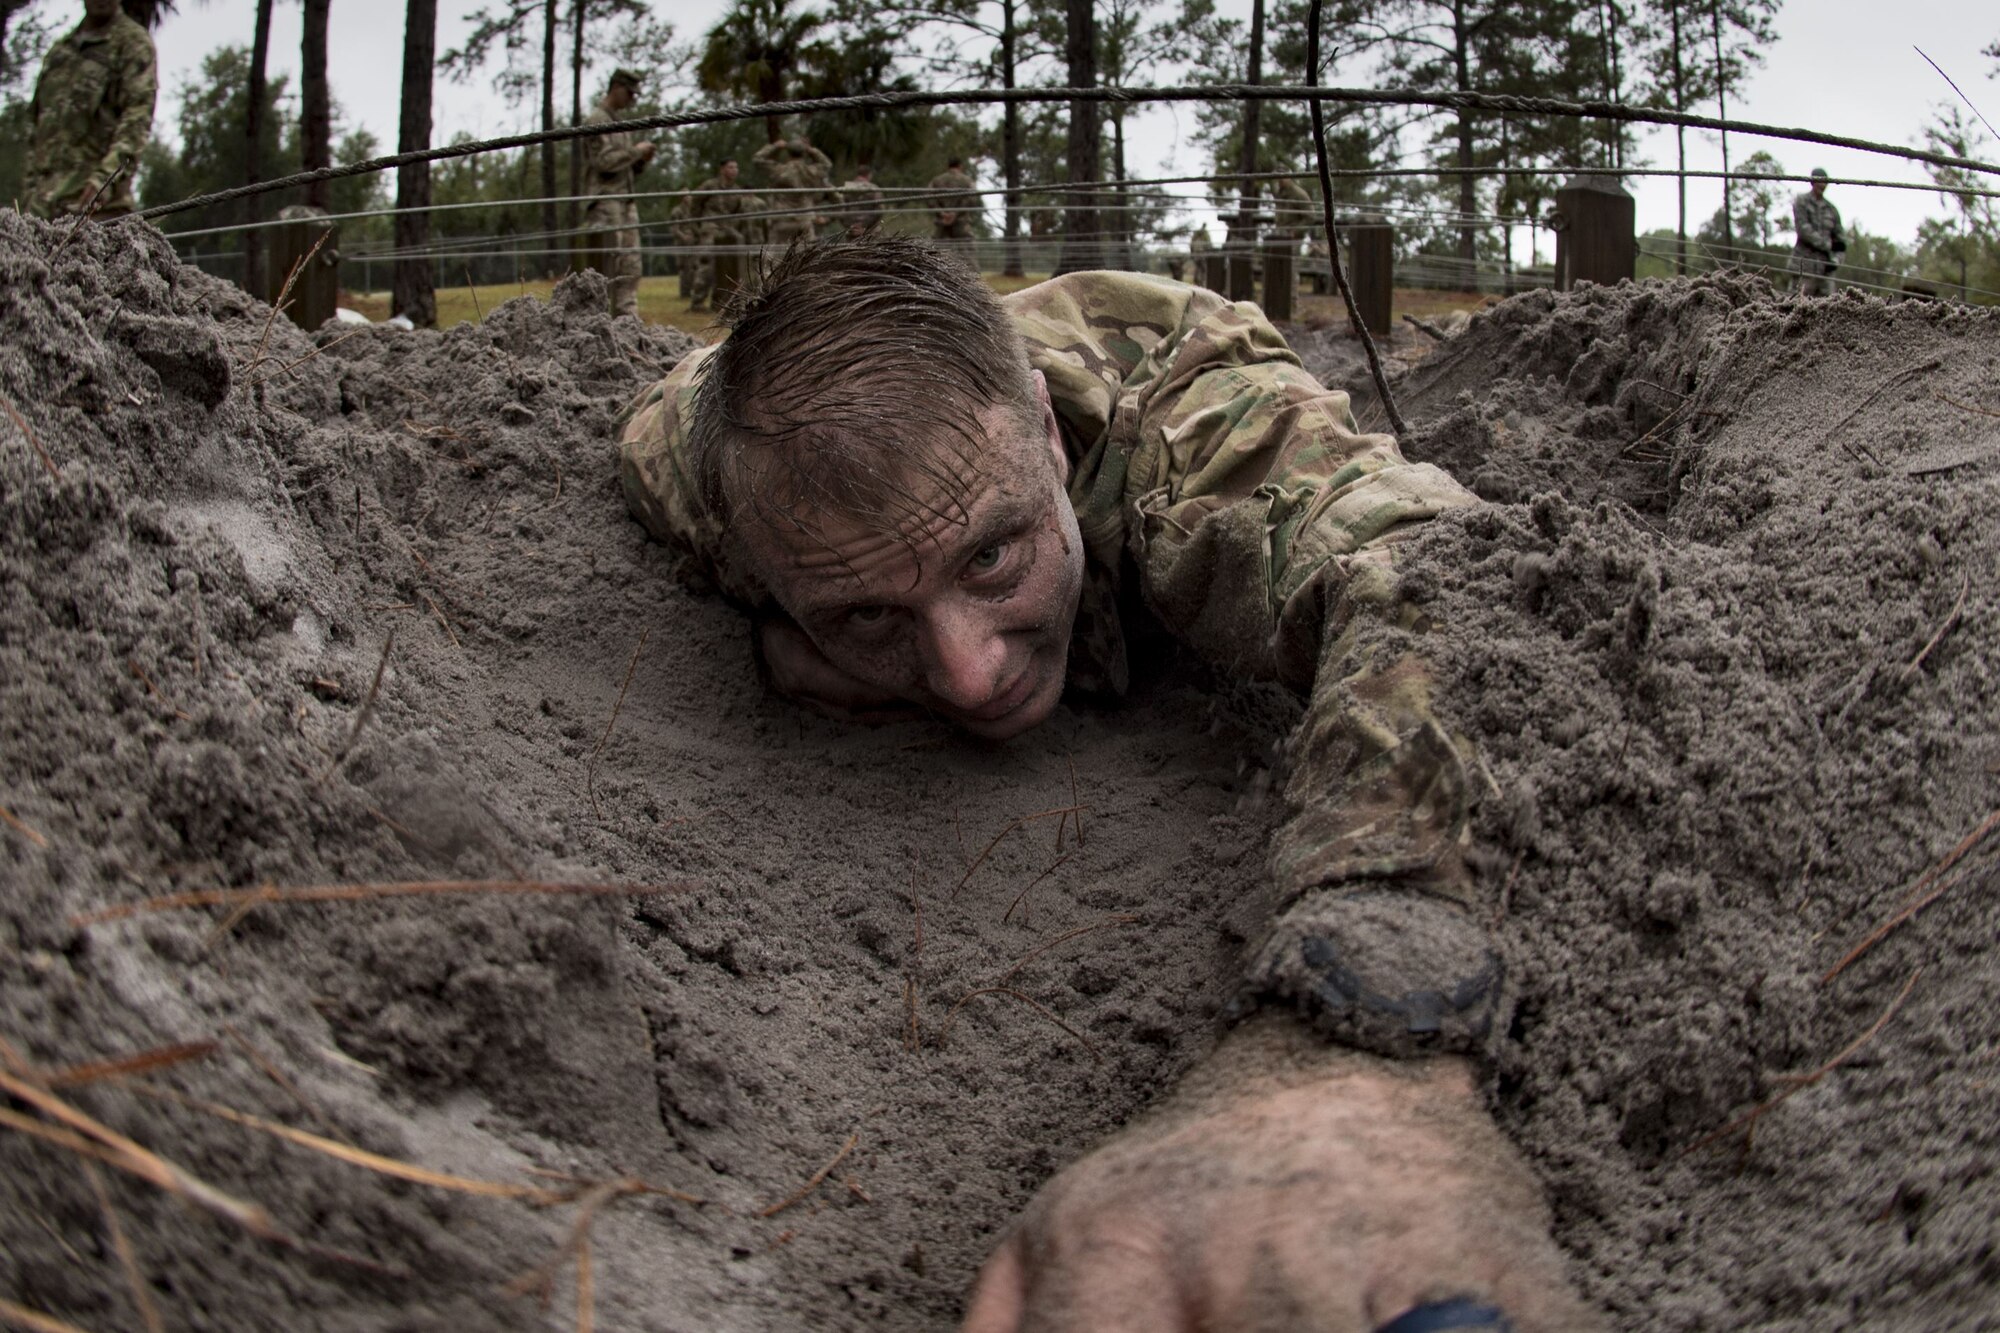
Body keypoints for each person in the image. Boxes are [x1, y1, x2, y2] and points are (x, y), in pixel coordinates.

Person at [618, 237, 1598, 1332]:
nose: (968, 673)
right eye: (865, 615)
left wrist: (1363, 1047)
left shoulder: (1192, 430)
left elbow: (1449, 587)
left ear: (1043, 435)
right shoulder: (702, 474)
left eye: (991, 557)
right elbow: (659, 421)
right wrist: (766, 650)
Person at [24, 0, 156, 220]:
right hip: (41, 213)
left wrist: (104, 181)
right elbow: (35, 125)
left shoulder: (133, 44)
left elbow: (137, 120)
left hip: (97, 211)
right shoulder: (60, 52)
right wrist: (30, 192)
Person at [579, 68, 657, 319]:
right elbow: (603, 163)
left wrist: (642, 159)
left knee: (631, 266)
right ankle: (596, 322)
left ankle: (628, 324)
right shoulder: (596, 121)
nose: (632, 100)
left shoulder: (622, 125)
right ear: (616, 87)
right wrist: (635, 151)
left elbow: (627, 169)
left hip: (626, 201)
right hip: (605, 202)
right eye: (630, 93)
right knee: (607, 266)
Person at [686, 158, 760, 314]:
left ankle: (722, 302)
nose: (734, 170)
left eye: (736, 167)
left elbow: (740, 212)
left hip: (728, 229)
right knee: (708, 265)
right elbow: (695, 202)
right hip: (710, 228)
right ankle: (697, 302)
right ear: (722, 169)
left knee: (731, 266)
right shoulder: (710, 186)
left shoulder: (737, 191)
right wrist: (695, 225)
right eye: (731, 167)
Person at [753, 135, 835, 252]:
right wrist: (812, 150)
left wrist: (775, 146)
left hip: (782, 217)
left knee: (775, 254)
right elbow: (827, 165)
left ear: (788, 153)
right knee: (806, 254)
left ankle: (770, 271)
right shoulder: (811, 171)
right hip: (804, 218)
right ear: (804, 153)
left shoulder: (779, 170)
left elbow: (757, 159)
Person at [1789, 167, 1844, 298]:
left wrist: (1837, 259)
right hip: (1804, 266)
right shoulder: (1802, 201)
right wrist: (1826, 244)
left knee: (1827, 308)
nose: (1822, 185)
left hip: (1825, 270)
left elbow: (1840, 240)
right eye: (1819, 182)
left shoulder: (1831, 209)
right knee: (1797, 303)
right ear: (1812, 182)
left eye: (1825, 182)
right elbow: (1803, 229)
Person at [928, 156, 980, 242]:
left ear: (948, 166)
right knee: (966, 249)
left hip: (942, 222)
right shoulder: (967, 181)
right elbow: (972, 199)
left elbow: (929, 198)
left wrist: (942, 213)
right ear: (960, 166)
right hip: (961, 222)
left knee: (937, 249)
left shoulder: (936, 180)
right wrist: (955, 213)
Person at [837, 162, 885, 237]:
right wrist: (864, 225)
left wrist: (850, 226)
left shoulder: (846, 188)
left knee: (851, 248)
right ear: (869, 175)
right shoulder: (873, 188)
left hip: (851, 228)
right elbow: (880, 209)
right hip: (870, 229)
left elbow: (840, 209)